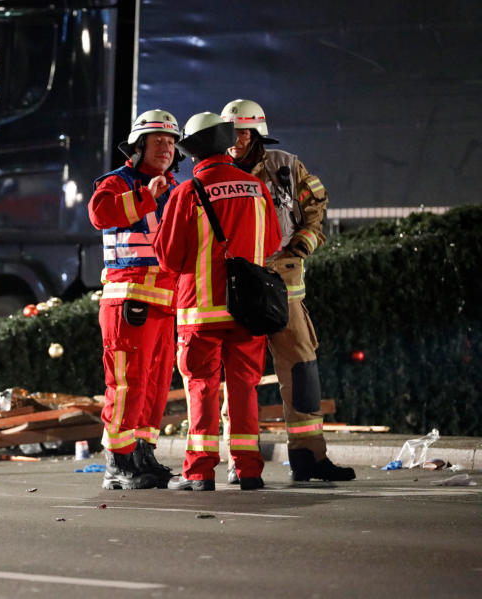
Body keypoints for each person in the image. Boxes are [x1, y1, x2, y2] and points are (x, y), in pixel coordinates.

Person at [220, 99, 355, 483]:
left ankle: (309, 457)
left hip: (284, 281)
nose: (236, 140)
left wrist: (302, 245)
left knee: (301, 368)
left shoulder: (286, 166)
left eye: (244, 131)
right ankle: (239, 460)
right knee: (238, 376)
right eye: (230, 132)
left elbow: (316, 207)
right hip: (240, 281)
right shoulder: (216, 170)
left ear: (258, 133)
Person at [153, 112, 281, 491]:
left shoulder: (187, 192)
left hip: (200, 312)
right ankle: (248, 469)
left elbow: (169, 258)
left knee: (202, 389)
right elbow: (272, 243)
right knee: (244, 388)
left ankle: (199, 472)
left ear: (193, 151)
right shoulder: (257, 188)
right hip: (250, 311)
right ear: (226, 144)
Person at [88, 109, 182, 489]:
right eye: (159, 141)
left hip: (165, 303)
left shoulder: (177, 188)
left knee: (155, 383)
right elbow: (99, 214)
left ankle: (142, 454)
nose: (167, 148)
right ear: (139, 145)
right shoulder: (116, 182)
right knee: (127, 382)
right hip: (129, 301)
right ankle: (118, 461)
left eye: (172, 142)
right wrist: (145, 196)